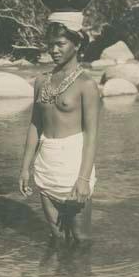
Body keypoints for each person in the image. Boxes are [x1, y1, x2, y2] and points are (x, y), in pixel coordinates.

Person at [19, 12, 100, 242]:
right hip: (46, 164)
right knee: (56, 238)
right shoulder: (41, 81)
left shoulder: (86, 85)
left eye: (61, 44)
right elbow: (35, 125)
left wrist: (83, 179)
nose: (54, 50)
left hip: (73, 167)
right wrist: (26, 167)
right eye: (50, 45)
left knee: (81, 239)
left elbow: (92, 136)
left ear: (77, 44)